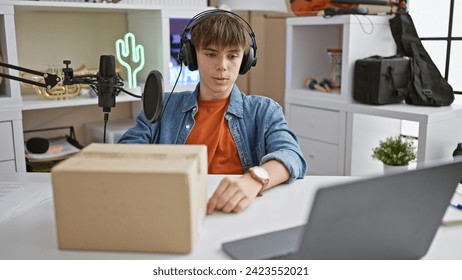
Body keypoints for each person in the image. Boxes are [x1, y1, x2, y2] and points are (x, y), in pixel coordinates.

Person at [118, 9, 307, 214]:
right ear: (192, 56)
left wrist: (254, 180)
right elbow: (125, 151)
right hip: (172, 208)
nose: (222, 66)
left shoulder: (264, 110)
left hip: (239, 211)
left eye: (233, 56)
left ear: (245, 60)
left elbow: (291, 155)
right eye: (210, 54)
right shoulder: (163, 105)